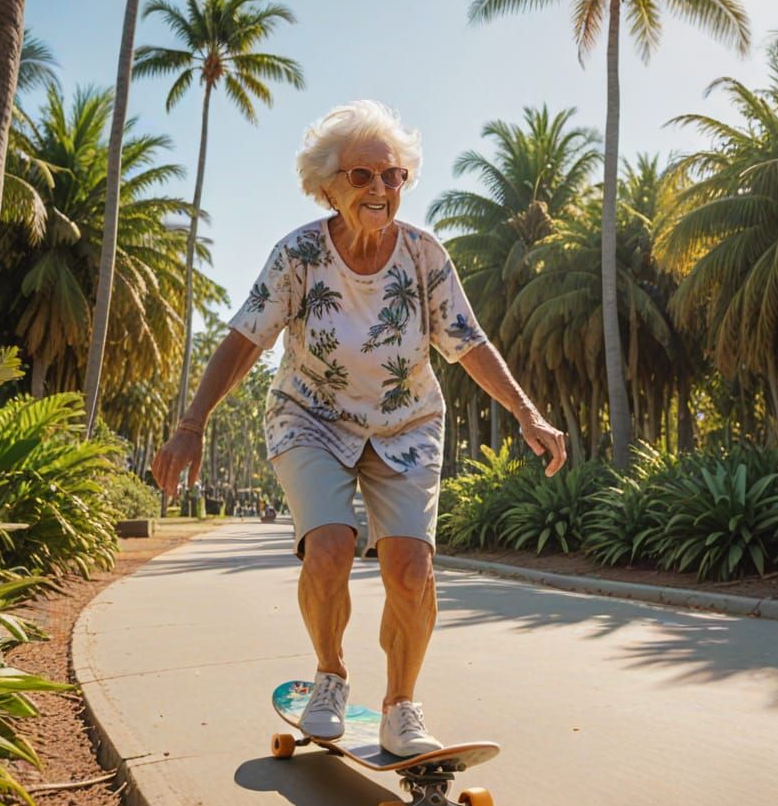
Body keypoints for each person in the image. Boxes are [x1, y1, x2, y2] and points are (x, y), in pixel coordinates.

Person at [152, 100, 566, 756]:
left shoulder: (424, 256)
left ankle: (401, 705)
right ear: (328, 185)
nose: (380, 188)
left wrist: (527, 411)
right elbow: (245, 339)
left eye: (393, 175)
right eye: (362, 175)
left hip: (406, 423)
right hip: (311, 418)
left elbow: (468, 342)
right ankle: (330, 677)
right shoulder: (298, 255)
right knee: (329, 548)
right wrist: (192, 422)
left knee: (411, 570)